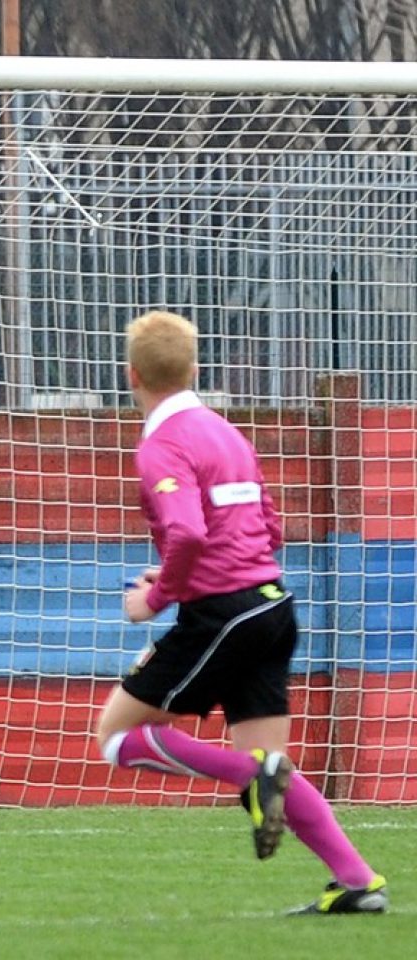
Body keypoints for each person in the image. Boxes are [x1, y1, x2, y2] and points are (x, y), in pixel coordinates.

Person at [95, 310, 386, 915]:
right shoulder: (225, 432)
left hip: (223, 613)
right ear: (194, 368)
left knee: (117, 736)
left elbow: (189, 535)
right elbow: (267, 525)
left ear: (131, 375)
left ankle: (251, 781)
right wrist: (200, 571)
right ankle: (356, 880)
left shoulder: (162, 445)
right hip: (273, 603)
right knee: (271, 762)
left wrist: (155, 597)